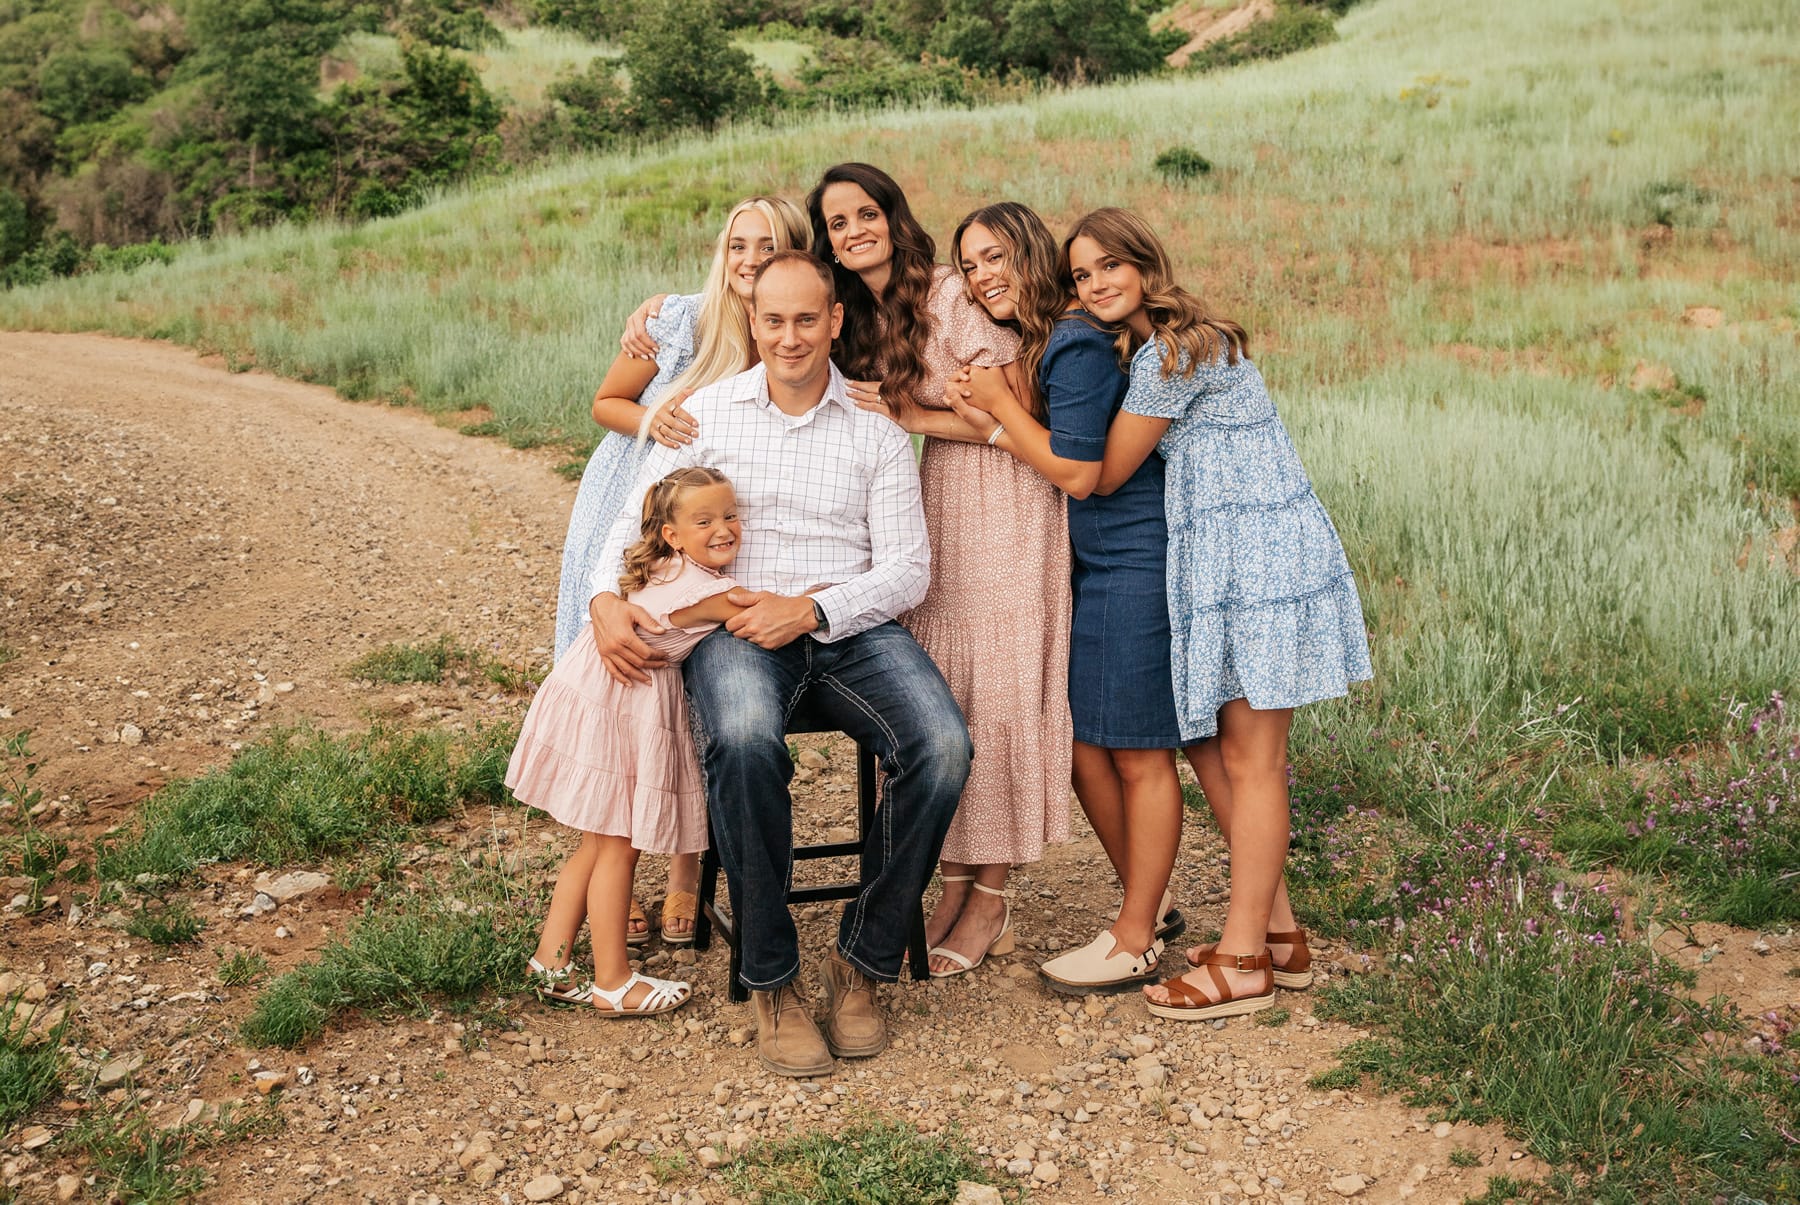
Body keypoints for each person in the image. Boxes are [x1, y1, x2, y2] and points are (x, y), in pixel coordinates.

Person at [587, 251, 972, 1076]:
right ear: (752, 323)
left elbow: (909, 569)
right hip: (735, 626)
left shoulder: (874, 427)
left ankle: (863, 962)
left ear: (835, 321)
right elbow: (632, 519)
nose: (790, 336)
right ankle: (773, 975)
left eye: (807, 319)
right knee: (746, 735)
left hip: (849, 623)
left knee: (942, 745)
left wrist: (814, 609)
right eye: (774, 320)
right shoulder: (708, 413)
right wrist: (602, 599)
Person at [1068, 208, 1371, 1020]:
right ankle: (1280, 938)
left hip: (1257, 557)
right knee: (1208, 744)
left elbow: (1100, 474)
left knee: (1251, 759)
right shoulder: (1164, 349)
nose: (1095, 284)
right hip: (1223, 555)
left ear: (1144, 264)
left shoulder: (1178, 351)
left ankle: (1243, 963)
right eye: (1080, 275)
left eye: (1107, 267)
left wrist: (993, 411)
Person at [807, 169, 1073, 979]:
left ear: (893, 216)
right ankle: (954, 881)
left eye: (867, 212)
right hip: (942, 497)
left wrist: (910, 416)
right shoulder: (861, 313)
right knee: (950, 685)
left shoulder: (950, 292)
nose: (855, 229)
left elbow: (1011, 402)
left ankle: (990, 898)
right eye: (837, 221)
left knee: (994, 686)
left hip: (1006, 496)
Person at [555, 195, 810, 947]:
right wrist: (654, 416)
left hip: (720, 531)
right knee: (624, 683)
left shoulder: (790, 324)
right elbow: (607, 400)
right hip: (639, 503)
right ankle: (611, 868)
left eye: (769, 245)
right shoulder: (679, 317)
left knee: (688, 698)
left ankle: (688, 874)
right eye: (738, 244)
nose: (751, 259)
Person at [945, 205, 1186, 996]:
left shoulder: (1075, 342)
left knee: (1136, 752)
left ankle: (1136, 934)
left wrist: (1000, 405)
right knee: (1088, 747)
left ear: (1031, 252)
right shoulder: (1053, 339)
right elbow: (1032, 442)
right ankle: (1149, 903)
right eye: (969, 266)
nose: (982, 278)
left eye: (994, 257)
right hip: (1095, 558)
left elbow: (1078, 473)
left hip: (1130, 556)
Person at [509, 466, 748, 1016]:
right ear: (672, 533)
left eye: (731, 515)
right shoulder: (709, 591)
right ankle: (613, 980)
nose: (724, 529)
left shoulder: (666, 566)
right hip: (619, 708)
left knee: (597, 844)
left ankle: (550, 960)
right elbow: (758, 608)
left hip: (599, 696)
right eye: (705, 520)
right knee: (619, 845)